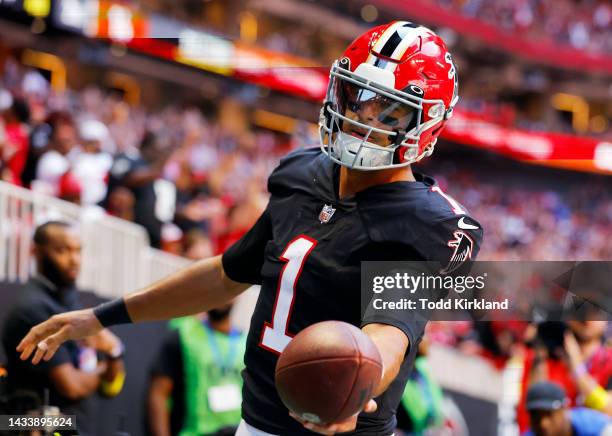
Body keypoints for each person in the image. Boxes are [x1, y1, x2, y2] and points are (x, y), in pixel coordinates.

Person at [16, 22, 483, 435]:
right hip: (254, 420)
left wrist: (356, 383)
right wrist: (99, 317)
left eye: (389, 112)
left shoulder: (431, 222)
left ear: (425, 125)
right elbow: (225, 274)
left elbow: (390, 333)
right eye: (357, 97)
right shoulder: (302, 174)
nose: (362, 119)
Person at [2, 221, 126, 434]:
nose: (74, 259)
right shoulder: (32, 309)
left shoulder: (72, 306)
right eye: (62, 250)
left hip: (73, 426)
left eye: (78, 251)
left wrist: (114, 352)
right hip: (30, 425)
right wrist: (105, 366)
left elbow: (109, 388)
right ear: (36, 252)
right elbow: (72, 386)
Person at [148, 305, 247, 436]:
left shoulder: (246, 342)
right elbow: (159, 394)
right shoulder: (183, 335)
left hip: (237, 431)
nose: (222, 298)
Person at [518, 321, 612, 431]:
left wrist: (578, 372)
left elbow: (609, 411)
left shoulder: (608, 361)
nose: (586, 320)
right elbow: (531, 416)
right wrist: (540, 359)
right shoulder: (546, 361)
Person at [524, 382, 612, 436]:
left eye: (549, 414)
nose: (543, 423)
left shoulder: (596, 427)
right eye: (536, 416)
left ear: (565, 409)